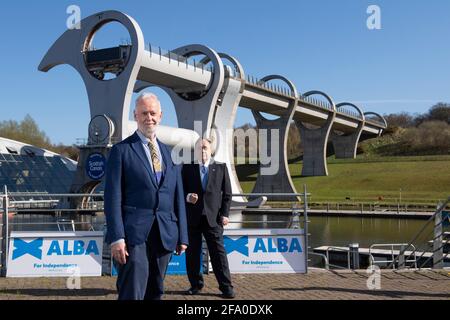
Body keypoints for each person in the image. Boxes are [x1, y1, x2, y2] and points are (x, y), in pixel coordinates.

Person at [104, 92, 188, 300]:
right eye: (143, 113)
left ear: (160, 116)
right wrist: (117, 237)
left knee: (156, 291)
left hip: (164, 234)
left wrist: (183, 235)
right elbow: (112, 197)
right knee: (132, 292)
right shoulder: (121, 151)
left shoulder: (168, 152)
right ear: (135, 115)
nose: (148, 117)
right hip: (133, 235)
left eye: (152, 113)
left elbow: (177, 194)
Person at [182, 138, 235, 299]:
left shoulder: (221, 168)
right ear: (195, 151)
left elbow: (227, 194)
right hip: (193, 219)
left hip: (214, 219)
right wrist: (187, 196)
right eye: (199, 148)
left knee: (219, 255)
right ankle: (196, 285)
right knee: (192, 254)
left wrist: (225, 214)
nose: (202, 151)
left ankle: (226, 287)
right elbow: (180, 191)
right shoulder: (187, 168)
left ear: (211, 149)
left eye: (205, 148)